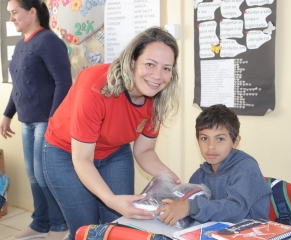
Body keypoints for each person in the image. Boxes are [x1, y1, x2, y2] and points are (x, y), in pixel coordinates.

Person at [43, 27, 181, 240]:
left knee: (117, 226)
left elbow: (144, 151)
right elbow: (82, 159)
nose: (158, 76)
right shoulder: (95, 86)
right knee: (85, 228)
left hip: (113, 152)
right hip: (66, 154)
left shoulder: (157, 99)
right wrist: (109, 198)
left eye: (166, 68)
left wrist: (169, 178)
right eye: (150, 64)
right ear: (133, 61)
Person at [1, 0, 72, 239]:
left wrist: (54, 119)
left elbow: (64, 83)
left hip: (46, 121)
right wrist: (7, 114)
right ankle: (40, 223)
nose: (11, 18)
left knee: (44, 175)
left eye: (15, 12)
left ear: (32, 12)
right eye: (9, 13)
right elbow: (18, 84)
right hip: (27, 120)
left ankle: (59, 225)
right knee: (33, 174)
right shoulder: (21, 45)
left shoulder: (49, 42)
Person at [155, 104, 272, 226]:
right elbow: (192, 208)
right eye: (204, 138)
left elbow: (236, 209)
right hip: (214, 232)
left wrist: (190, 207)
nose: (211, 146)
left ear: (235, 141)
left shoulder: (246, 167)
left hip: (252, 233)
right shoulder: (199, 176)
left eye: (220, 139)